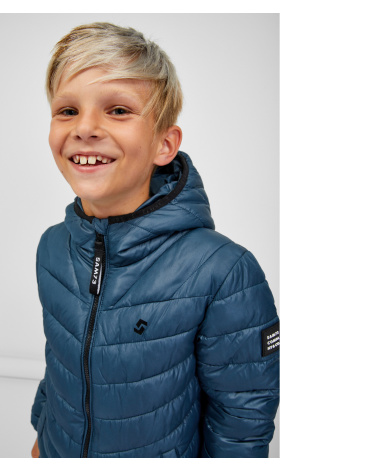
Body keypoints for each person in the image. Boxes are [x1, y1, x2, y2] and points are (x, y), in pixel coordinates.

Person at [30, 22, 279, 458]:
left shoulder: (224, 272)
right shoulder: (53, 247)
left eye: (117, 110)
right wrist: (40, 442)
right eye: (67, 110)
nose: (85, 128)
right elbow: (62, 367)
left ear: (165, 144)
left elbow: (242, 422)